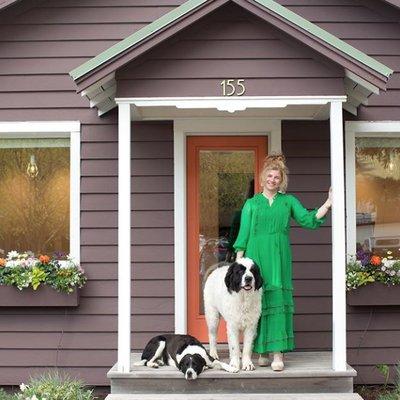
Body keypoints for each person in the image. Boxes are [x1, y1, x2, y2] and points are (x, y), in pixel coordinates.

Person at [233, 154, 331, 371]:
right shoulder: (251, 203)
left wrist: (328, 203)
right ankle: (261, 351)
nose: (272, 179)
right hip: (255, 257)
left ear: (281, 180)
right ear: (262, 179)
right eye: (269, 175)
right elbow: (244, 234)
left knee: (276, 298)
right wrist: (239, 264)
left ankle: (277, 354)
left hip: (278, 257)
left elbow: (308, 219)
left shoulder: (289, 201)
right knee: (256, 302)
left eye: (276, 177)